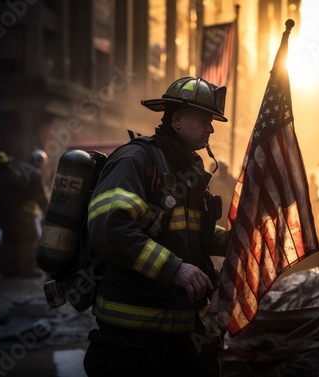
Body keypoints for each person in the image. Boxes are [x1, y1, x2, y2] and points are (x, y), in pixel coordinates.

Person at [83, 77, 229, 376]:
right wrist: (174, 268)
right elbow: (110, 228)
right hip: (133, 333)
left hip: (184, 328)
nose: (211, 129)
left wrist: (233, 240)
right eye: (204, 120)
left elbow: (188, 231)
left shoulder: (188, 169)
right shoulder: (135, 159)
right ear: (177, 120)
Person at [0, 151, 36, 277]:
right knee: (25, 242)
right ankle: (26, 272)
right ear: (6, 164)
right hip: (17, 217)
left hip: (3, 218)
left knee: (9, 245)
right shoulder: (11, 177)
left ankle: (10, 271)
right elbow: (24, 192)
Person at [208, 160, 236, 228]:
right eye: (222, 169)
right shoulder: (213, 181)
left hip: (228, 206)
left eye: (225, 169)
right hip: (217, 206)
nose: (224, 171)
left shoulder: (232, 180)